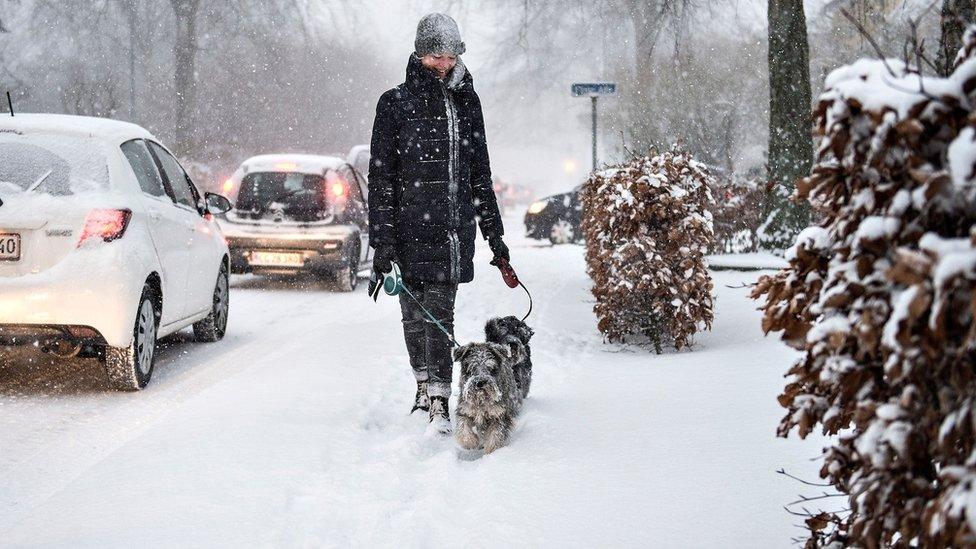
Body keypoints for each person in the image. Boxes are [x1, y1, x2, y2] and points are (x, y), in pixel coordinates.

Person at [368, 13, 508, 435]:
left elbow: (479, 173)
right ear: (419, 54)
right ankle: (422, 386)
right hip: (408, 232)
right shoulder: (394, 104)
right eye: (434, 56)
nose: (443, 64)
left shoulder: (468, 102)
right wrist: (383, 242)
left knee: (439, 317)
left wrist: (495, 239)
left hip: (450, 232)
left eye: (449, 56)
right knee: (413, 315)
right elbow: (381, 177)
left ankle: (440, 401)